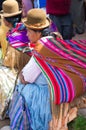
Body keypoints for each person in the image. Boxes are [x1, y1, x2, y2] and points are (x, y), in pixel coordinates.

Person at [3, 8, 85, 130]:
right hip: (57, 91)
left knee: (21, 89)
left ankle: (22, 124)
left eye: (29, 31)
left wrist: (21, 76)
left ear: (37, 32)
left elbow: (27, 78)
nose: (26, 35)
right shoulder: (55, 40)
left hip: (46, 96)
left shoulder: (41, 51)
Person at [0, 0, 30, 120]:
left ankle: (6, 109)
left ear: (6, 21)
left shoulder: (12, 37)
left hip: (20, 73)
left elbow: (9, 62)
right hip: (28, 69)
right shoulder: (26, 28)